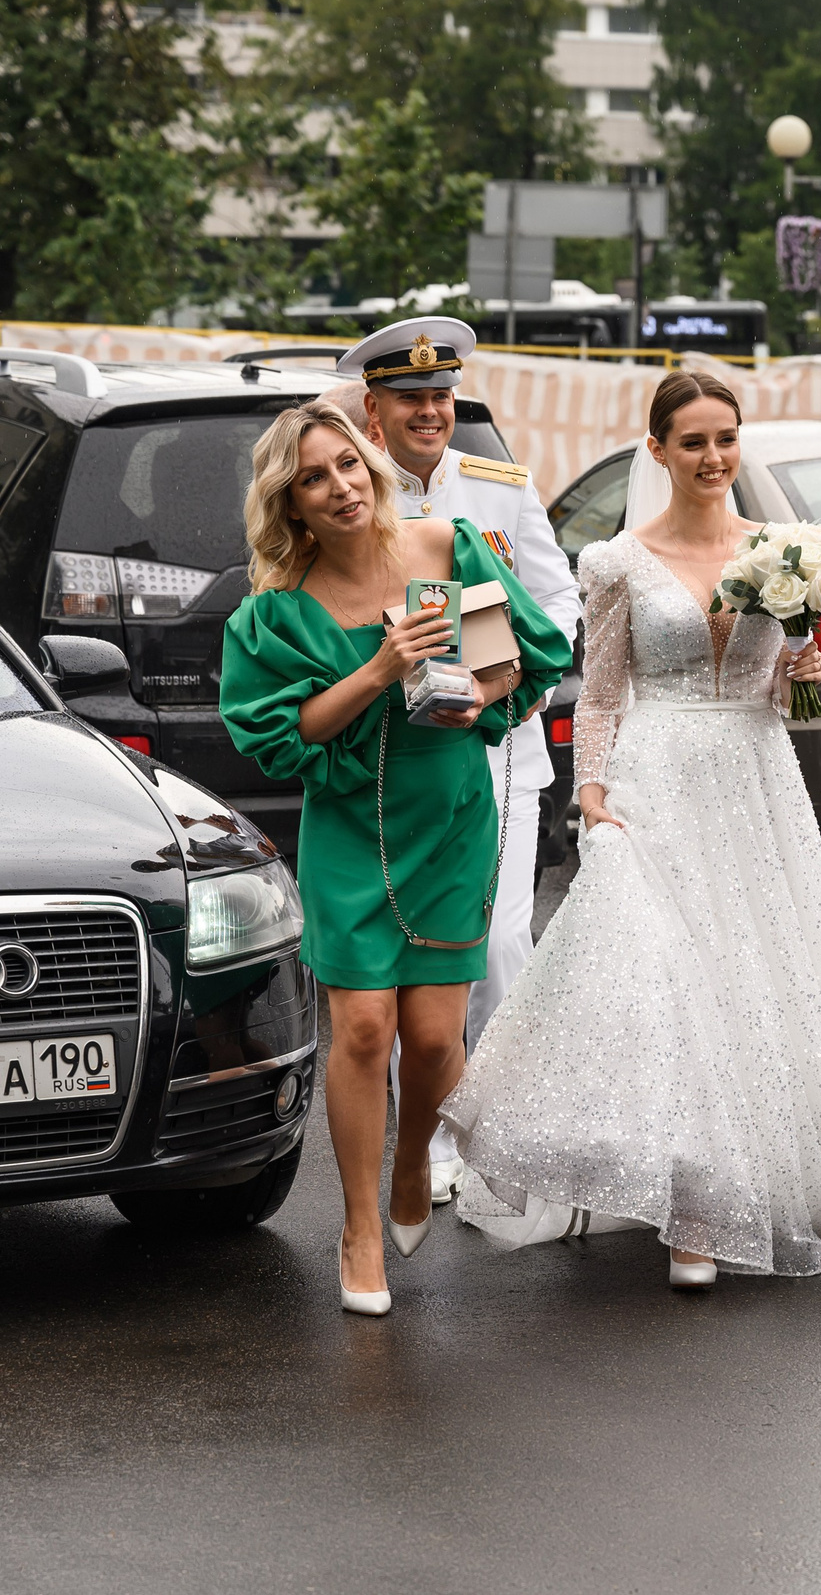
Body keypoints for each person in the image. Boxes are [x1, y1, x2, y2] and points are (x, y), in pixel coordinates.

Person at [441, 370, 821, 1289]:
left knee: (758, 976)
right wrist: (591, 794)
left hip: (751, 779)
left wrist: (803, 665)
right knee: (666, 982)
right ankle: (693, 1213)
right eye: (693, 441)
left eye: (726, 439)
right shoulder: (619, 560)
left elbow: (787, 698)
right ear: (657, 451)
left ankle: (736, 1186)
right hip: (654, 777)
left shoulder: (783, 553)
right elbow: (603, 691)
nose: (713, 457)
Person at [219, 402, 569, 1316]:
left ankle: (416, 1156)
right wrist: (379, 668)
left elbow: (511, 665)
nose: (339, 487)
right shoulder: (278, 613)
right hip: (347, 825)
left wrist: (473, 695)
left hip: (449, 811)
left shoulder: (446, 549)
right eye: (312, 478)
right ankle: (359, 1226)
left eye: (347, 465)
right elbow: (283, 736)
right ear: (288, 505)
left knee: (434, 1040)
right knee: (365, 1027)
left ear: (371, 467)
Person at [327, 317, 584, 1206]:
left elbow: (554, 598)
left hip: (496, 746)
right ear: (375, 408)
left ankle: (492, 1133)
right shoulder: (351, 490)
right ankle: (426, 1141)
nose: (430, 412)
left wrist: (511, 687)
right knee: (405, 954)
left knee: (498, 942)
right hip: (393, 761)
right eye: (411, 399)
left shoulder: (496, 486)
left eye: (441, 397)